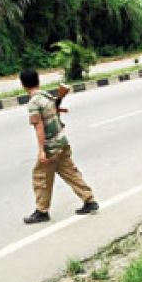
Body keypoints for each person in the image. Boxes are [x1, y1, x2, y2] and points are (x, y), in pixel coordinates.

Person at [20, 70, 99, 224]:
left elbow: (39, 127)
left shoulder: (34, 102)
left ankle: (42, 211)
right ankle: (90, 201)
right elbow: (54, 113)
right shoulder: (47, 96)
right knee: (71, 172)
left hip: (51, 147)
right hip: (62, 142)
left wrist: (41, 151)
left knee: (40, 177)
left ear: (23, 85)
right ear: (38, 81)